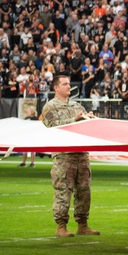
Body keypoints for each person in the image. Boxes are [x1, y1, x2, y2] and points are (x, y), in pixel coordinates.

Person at [40, 74, 98, 238]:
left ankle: (83, 224)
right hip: (64, 156)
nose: (68, 86)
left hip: (81, 155)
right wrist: (75, 119)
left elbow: (86, 125)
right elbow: (52, 126)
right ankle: (61, 226)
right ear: (56, 88)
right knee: (63, 191)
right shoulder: (49, 107)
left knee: (84, 191)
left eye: (69, 84)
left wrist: (89, 118)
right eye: (65, 84)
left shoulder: (76, 105)